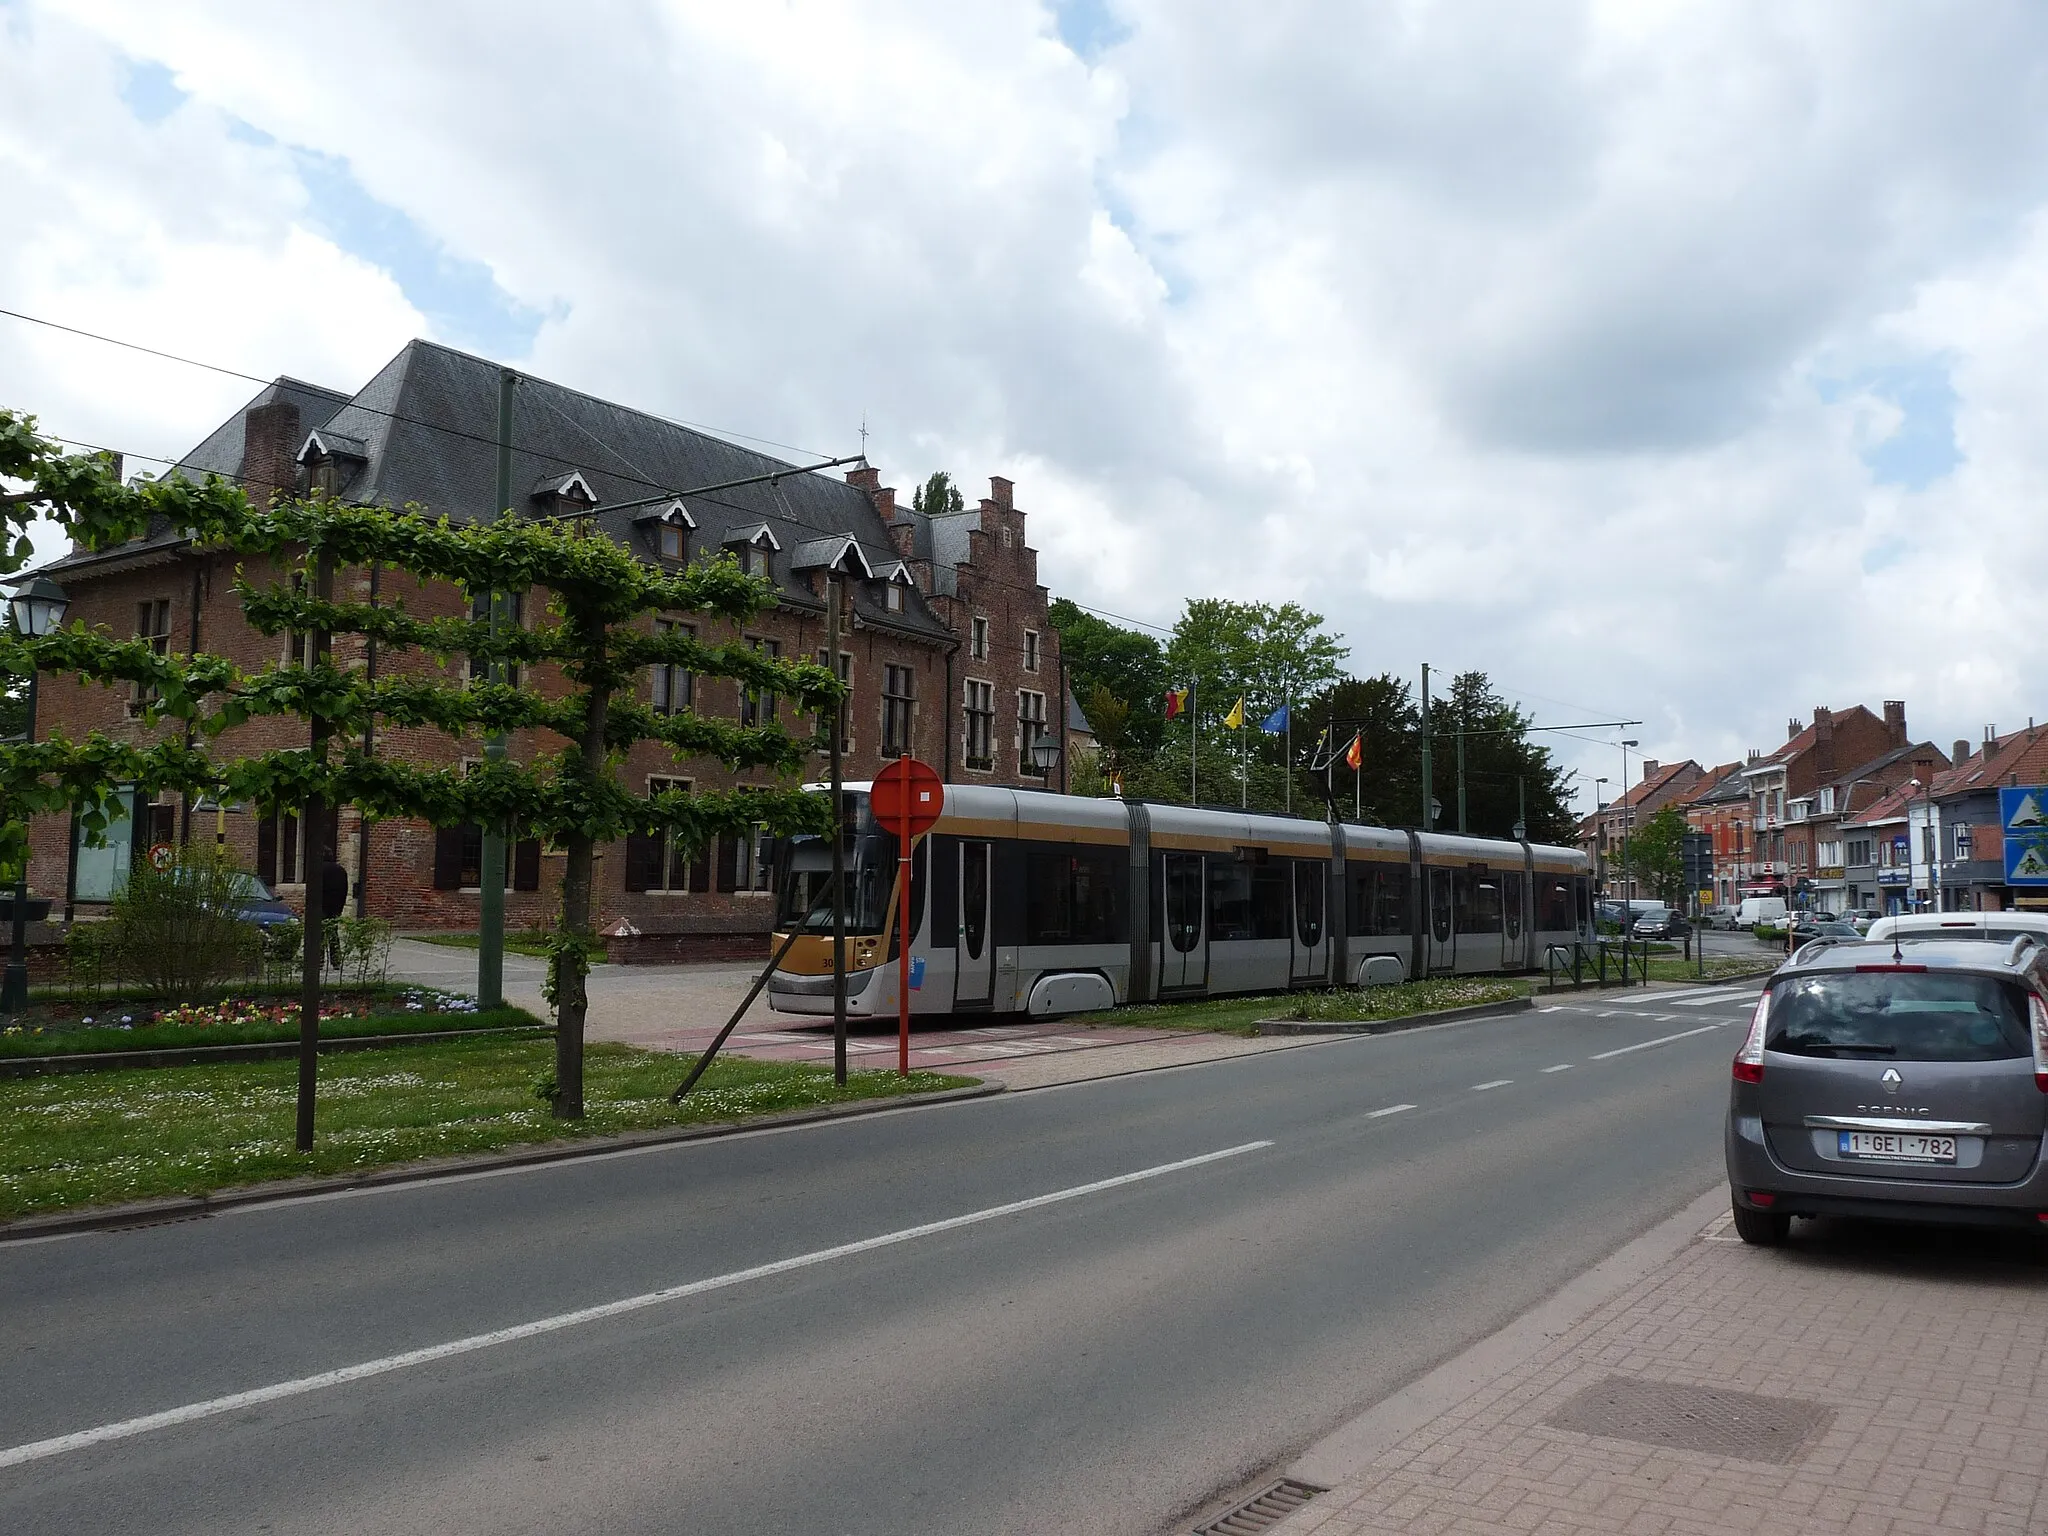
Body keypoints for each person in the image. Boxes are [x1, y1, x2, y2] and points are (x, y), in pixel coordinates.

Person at [320, 857, 349, 970]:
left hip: (321, 906)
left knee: (320, 934)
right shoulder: (341, 870)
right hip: (336, 906)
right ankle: (336, 960)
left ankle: (319, 961)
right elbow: (344, 890)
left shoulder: (318, 869)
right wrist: (340, 907)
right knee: (333, 933)